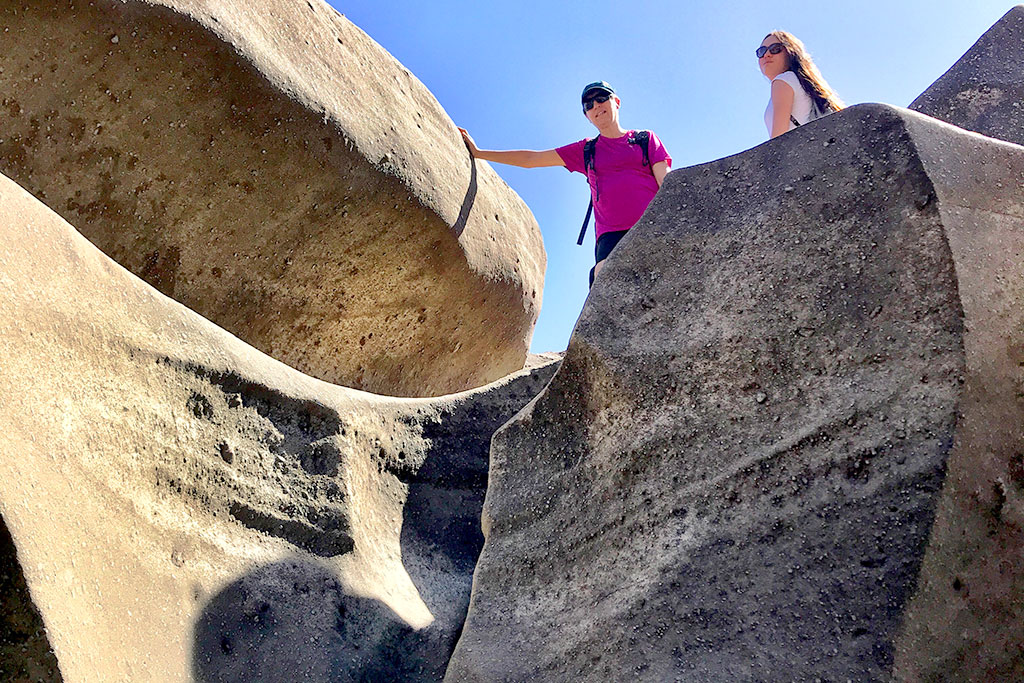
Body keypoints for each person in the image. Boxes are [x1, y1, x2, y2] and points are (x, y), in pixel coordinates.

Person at [459, 81, 671, 286]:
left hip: (652, 223)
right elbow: (531, 160)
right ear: (587, 117)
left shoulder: (644, 139)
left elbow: (667, 183)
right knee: (605, 276)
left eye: (601, 98)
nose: (596, 105)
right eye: (589, 105)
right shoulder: (587, 149)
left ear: (616, 101)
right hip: (611, 235)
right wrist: (479, 153)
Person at [758, 31, 844, 138]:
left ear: (790, 52)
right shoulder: (803, 83)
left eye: (775, 49)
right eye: (761, 51)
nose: (766, 54)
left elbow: (778, 139)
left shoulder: (783, 81)